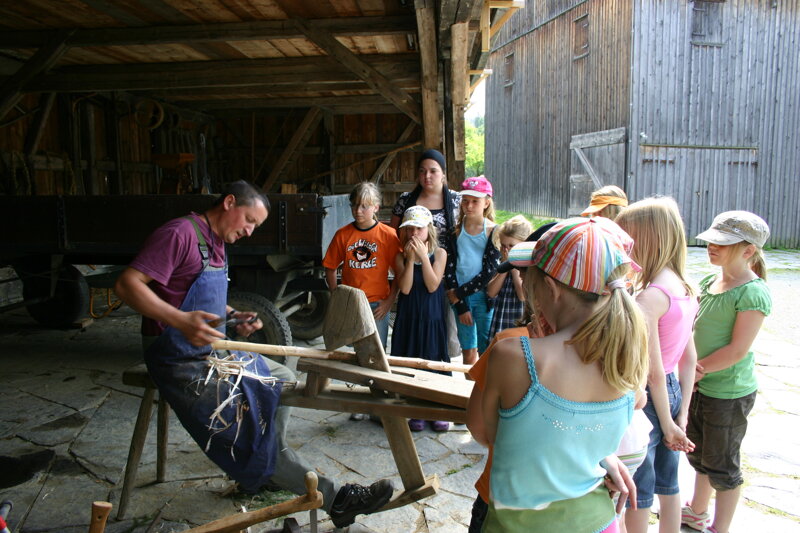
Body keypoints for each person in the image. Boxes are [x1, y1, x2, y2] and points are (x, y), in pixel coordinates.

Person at [114, 181, 394, 529]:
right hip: (176, 359)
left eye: (255, 226)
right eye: (249, 220)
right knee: (250, 435)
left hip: (209, 351)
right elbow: (127, 284)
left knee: (284, 378)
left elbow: (192, 295)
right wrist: (180, 320)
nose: (249, 231)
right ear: (229, 202)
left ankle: (267, 467)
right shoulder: (179, 234)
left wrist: (232, 315)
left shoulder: (216, 241)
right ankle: (336, 499)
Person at [480, 217, 649, 533]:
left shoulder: (514, 356)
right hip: (600, 522)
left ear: (550, 288)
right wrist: (605, 457)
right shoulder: (628, 360)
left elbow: (487, 435)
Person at [681, 211, 772, 533]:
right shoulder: (710, 282)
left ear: (748, 251)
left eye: (723, 243)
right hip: (700, 385)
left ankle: (720, 527)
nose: (712, 247)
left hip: (727, 393)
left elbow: (737, 350)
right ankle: (697, 510)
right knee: (700, 453)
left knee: (722, 465)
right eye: (712, 241)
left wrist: (697, 371)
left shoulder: (752, 292)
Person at [616, 197, 699, 533]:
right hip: (674, 394)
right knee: (669, 483)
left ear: (646, 238)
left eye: (627, 240)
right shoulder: (686, 288)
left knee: (639, 490)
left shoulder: (649, 298)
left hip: (651, 402)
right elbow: (688, 358)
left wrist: (666, 424)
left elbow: (651, 372)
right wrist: (682, 415)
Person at [390, 149, 461, 360]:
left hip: (442, 271)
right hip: (411, 269)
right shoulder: (406, 199)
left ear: (443, 173)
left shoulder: (456, 200)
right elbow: (394, 235)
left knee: (442, 333)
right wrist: (409, 257)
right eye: (422, 171)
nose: (427, 176)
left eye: (433, 171)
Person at [322, 181, 401, 350]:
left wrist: (389, 302)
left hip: (377, 304)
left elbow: (399, 273)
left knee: (376, 350)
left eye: (364, 206)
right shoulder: (342, 234)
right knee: (354, 349)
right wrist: (337, 297)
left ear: (376, 207)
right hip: (351, 303)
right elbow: (330, 267)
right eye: (355, 205)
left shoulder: (388, 235)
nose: (358, 211)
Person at [391, 205, 449, 432]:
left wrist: (424, 258)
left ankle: (436, 409)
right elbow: (405, 289)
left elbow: (433, 285)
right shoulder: (399, 256)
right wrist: (410, 260)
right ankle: (416, 410)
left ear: (428, 229)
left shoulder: (440, 253)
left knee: (433, 358)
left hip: (431, 317)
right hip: (410, 317)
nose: (414, 233)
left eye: (419, 228)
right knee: (412, 358)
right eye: (410, 228)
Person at [444, 176, 500, 365]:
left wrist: (458, 294)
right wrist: (460, 303)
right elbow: (449, 268)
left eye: (475, 201)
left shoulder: (493, 231)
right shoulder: (455, 231)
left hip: (483, 297)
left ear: (486, 203)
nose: (469, 206)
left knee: (486, 350)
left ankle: (485, 384)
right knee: (468, 352)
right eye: (465, 200)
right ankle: (469, 385)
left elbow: (490, 271)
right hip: (460, 298)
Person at [486, 215, 533, 339]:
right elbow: (491, 292)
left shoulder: (527, 267)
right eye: (503, 245)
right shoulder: (502, 262)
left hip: (518, 319)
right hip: (502, 318)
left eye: (511, 246)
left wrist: (512, 266)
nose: (506, 250)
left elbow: (522, 296)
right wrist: (506, 266)